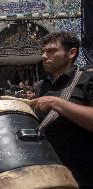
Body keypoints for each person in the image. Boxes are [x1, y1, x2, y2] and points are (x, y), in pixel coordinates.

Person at [32, 31, 93, 188]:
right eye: (43, 52)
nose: (44, 56)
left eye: (51, 51)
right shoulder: (43, 86)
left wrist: (56, 103)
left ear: (71, 53)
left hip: (82, 177)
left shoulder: (87, 80)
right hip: (49, 176)